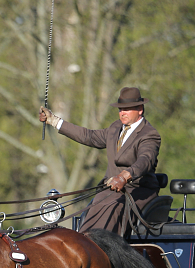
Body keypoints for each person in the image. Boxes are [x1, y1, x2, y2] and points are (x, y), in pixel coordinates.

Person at [39, 87, 161, 236]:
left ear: (140, 109)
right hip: (110, 191)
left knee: (112, 204)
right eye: (120, 109)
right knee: (96, 204)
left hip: (137, 192)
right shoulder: (116, 127)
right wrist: (54, 121)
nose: (122, 113)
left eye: (127, 109)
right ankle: (84, 243)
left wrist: (124, 176)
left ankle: (103, 249)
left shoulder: (149, 134)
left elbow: (145, 160)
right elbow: (88, 136)